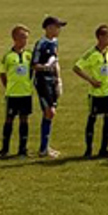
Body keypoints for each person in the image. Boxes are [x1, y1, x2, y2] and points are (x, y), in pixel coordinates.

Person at [73, 24, 108, 158]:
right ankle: (88, 150)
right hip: (96, 94)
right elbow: (76, 68)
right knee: (92, 119)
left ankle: (104, 149)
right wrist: (91, 80)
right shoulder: (91, 54)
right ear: (100, 37)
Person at [0, 24, 33, 158]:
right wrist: (7, 86)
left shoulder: (29, 55)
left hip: (26, 93)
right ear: (15, 38)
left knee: (24, 120)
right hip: (12, 94)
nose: (25, 40)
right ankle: (5, 148)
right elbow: (2, 73)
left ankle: (22, 149)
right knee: (9, 119)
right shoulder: (8, 56)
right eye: (22, 37)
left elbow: (33, 71)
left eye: (26, 38)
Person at [32, 16, 66, 159]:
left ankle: (45, 147)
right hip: (42, 82)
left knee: (51, 113)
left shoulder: (55, 42)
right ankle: (43, 148)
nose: (59, 30)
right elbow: (34, 65)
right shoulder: (41, 44)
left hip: (52, 81)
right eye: (57, 27)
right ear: (49, 27)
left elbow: (56, 61)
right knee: (49, 111)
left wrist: (58, 80)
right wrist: (45, 67)